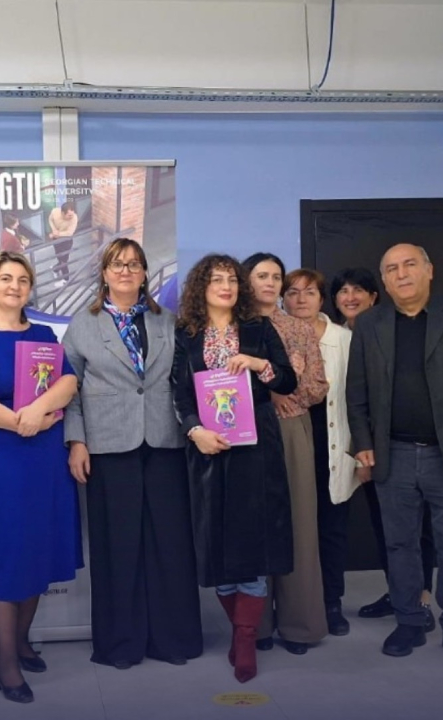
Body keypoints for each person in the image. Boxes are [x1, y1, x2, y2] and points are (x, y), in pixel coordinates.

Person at [345, 244, 443, 664]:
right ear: (384, 281)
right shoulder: (369, 323)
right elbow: (357, 391)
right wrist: (364, 443)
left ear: (430, 270)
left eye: (410, 265)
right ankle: (409, 620)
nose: (402, 274)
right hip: (392, 454)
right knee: (400, 544)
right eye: (392, 269)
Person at [63, 238, 202, 670]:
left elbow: (183, 380)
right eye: (117, 264)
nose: (125, 271)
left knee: (169, 545)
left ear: (144, 274)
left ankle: (172, 639)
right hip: (108, 445)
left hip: (164, 442)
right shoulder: (82, 325)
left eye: (134, 264)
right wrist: (76, 441)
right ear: (104, 273)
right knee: (117, 547)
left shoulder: (167, 321)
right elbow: (69, 390)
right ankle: (119, 644)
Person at [0, 251, 83, 704]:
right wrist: (22, 421)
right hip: (0, 461)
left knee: (36, 549)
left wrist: (38, 411)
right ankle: (5, 663)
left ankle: (23, 641)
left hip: (43, 459)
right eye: (6, 278)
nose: (14, 286)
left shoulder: (44, 335)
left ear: (31, 289)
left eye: (23, 280)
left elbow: (68, 382)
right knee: (8, 555)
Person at [172, 253, 297, 683]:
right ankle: (239, 627)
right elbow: (179, 394)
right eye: (216, 280)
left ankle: (245, 639)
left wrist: (259, 364)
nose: (225, 286)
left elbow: (288, 381)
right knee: (218, 547)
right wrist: (195, 432)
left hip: (256, 451)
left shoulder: (259, 328)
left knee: (253, 546)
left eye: (231, 279)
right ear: (201, 288)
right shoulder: (186, 334)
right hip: (208, 451)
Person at [332, 267, 438, 628]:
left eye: (358, 290)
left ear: (374, 297)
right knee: (384, 526)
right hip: (344, 446)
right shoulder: (331, 336)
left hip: (390, 446)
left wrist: (368, 448)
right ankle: (399, 592)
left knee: (414, 526)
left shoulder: (390, 332)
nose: (350, 297)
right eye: (343, 291)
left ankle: (421, 597)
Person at [242, 253, 330, 654]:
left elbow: (317, 385)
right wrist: (266, 393)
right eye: (261, 275)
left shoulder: (298, 328)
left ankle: (300, 626)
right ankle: (255, 625)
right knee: (255, 523)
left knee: (299, 524)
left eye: (276, 277)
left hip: (291, 427)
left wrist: (282, 391)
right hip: (246, 430)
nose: (270, 283)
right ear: (246, 280)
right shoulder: (233, 327)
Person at [283, 268, 355, 637]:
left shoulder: (344, 339)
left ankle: (331, 602)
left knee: (331, 528)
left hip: (333, 445)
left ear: (322, 299)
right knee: (294, 527)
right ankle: (293, 604)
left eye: (309, 292)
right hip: (291, 444)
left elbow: (359, 397)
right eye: (292, 292)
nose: (301, 299)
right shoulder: (274, 334)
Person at [47, 200, 79, 284]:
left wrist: (57, 234)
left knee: (64, 259)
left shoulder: (74, 218)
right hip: (57, 240)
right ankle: (56, 271)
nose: (71, 216)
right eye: (69, 215)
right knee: (61, 258)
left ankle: (64, 278)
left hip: (67, 240)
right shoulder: (55, 212)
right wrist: (54, 229)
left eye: (72, 214)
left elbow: (70, 232)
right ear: (62, 213)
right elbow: (50, 220)